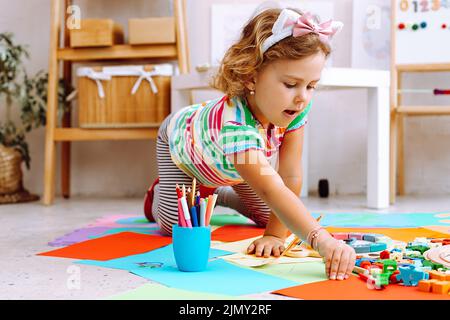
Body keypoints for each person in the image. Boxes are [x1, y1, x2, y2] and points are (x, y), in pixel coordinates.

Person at [144, 7, 356, 281]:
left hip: (241, 166)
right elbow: (271, 187)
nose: (302, 97)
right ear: (251, 76)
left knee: (274, 217)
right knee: (178, 226)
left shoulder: (295, 109)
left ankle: (218, 194)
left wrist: (274, 235)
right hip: (185, 153)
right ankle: (158, 196)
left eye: (311, 86)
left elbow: (289, 175)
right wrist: (321, 240)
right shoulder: (236, 126)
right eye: (291, 84)